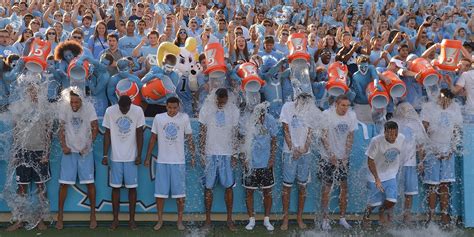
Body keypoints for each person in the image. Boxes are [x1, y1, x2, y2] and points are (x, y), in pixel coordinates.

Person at [144, 97, 196, 231]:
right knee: (160, 195)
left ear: (178, 107)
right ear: (166, 107)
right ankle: (160, 220)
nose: (172, 110)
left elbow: (189, 138)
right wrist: (148, 157)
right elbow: (153, 139)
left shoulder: (184, 118)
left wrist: (193, 156)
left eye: (175, 108)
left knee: (180, 195)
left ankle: (180, 221)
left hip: (179, 162)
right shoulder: (159, 118)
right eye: (170, 108)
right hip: (162, 162)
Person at [6, 83, 53, 232]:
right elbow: (15, 132)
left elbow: (49, 133)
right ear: (25, 92)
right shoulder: (19, 108)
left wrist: (46, 153)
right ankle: (20, 220)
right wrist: (15, 153)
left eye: (35, 91)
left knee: (41, 187)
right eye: (29, 91)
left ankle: (40, 220)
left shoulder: (44, 109)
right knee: (22, 188)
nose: (32, 93)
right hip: (22, 152)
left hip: (39, 152)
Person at [56, 88, 98, 230]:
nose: (74, 104)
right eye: (72, 101)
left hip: (85, 152)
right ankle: (60, 216)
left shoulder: (89, 107)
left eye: (76, 102)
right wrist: (63, 146)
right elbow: (60, 128)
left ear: (82, 100)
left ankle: (93, 215)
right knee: (63, 184)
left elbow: (95, 127)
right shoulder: (64, 107)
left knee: (90, 184)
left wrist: (87, 145)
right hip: (69, 152)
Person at [419, 88, 462, 227]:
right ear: (438, 97)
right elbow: (423, 132)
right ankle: (430, 217)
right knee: (432, 185)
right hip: (432, 151)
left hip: (447, 151)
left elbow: (456, 133)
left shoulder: (455, 110)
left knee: (445, 185)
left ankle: (444, 215)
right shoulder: (428, 108)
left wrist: (451, 149)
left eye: (448, 99)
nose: (445, 101)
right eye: (443, 98)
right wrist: (431, 150)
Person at [199, 88, 239, 231]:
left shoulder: (233, 110)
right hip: (210, 153)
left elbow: (235, 133)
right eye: (219, 101)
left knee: (229, 187)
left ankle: (229, 219)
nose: (221, 103)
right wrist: (202, 152)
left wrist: (235, 154)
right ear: (215, 98)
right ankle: (208, 220)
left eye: (224, 101)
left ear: (227, 99)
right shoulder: (207, 107)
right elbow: (202, 130)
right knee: (208, 187)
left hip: (227, 153)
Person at [102, 95, 145, 230]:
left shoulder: (138, 111)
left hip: (131, 157)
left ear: (130, 105)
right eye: (121, 108)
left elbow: (140, 133)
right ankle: (115, 220)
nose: (124, 111)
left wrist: (139, 154)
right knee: (115, 188)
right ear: (118, 105)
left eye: (126, 108)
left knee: (132, 188)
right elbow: (107, 134)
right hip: (115, 157)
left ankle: (131, 221)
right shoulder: (110, 111)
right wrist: (105, 154)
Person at [319, 95, 357, 230]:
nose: (345, 108)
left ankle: (342, 218)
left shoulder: (351, 116)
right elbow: (323, 136)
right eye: (343, 105)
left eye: (348, 105)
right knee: (327, 189)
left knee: (344, 187)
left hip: (343, 158)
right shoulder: (326, 115)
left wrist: (346, 155)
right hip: (327, 157)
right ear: (336, 104)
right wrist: (331, 155)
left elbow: (350, 137)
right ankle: (325, 219)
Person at [279, 93, 317, 230]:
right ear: (296, 98)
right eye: (301, 100)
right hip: (289, 153)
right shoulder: (287, 107)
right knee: (287, 187)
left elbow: (311, 131)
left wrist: (305, 147)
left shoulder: (310, 110)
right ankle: (285, 219)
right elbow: (285, 129)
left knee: (302, 186)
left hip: (305, 154)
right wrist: (292, 147)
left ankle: (299, 217)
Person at [241, 102, 278, 231]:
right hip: (250, 163)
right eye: (259, 115)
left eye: (263, 115)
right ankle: (251, 219)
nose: (261, 118)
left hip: (265, 162)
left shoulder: (271, 120)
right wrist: (244, 157)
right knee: (249, 191)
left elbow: (274, 140)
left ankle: (266, 220)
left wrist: (272, 158)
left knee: (267, 191)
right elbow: (241, 139)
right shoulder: (247, 121)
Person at [362, 121, 405, 228]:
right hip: (375, 175)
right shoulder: (376, 141)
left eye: (395, 134)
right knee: (373, 203)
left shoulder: (401, 138)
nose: (393, 137)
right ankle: (366, 216)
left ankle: (382, 210)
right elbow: (370, 160)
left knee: (392, 201)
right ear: (384, 132)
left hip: (390, 174)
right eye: (390, 134)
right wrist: (377, 178)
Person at [390, 102, 427, 224]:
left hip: (410, 163)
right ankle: (390, 215)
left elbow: (420, 145)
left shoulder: (415, 125)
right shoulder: (393, 123)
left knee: (409, 192)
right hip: (394, 164)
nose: (404, 111)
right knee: (391, 190)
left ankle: (407, 214)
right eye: (402, 109)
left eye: (406, 109)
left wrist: (421, 161)